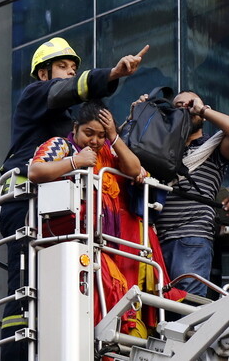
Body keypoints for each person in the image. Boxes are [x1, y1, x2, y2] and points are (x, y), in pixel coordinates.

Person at [0, 36, 147, 360]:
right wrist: (111, 75)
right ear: (43, 73)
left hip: (46, 208)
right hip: (24, 201)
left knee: (47, 285)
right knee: (24, 285)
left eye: (72, 67)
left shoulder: (65, 123)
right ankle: (18, 352)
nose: (68, 72)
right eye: (62, 66)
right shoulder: (36, 94)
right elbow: (68, 91)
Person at [29, 101, 185, 338]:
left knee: (118, 297)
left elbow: (133, 169)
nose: (94, 141)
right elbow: (35, 171)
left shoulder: (109, 152)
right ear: (75, 128)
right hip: (72, 243)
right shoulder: (61, 144)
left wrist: (113, 136)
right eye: (88, 133)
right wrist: (75, 162)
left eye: (100, 135)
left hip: (108, 245)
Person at [152, 91, 229, 297]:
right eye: (177, 106)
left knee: (186, 302)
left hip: (191, 235)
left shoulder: (212, 148)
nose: (185, 110)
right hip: (155, 238)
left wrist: (203, 110)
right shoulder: (161, 150)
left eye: (189, 105)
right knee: (158, 306)